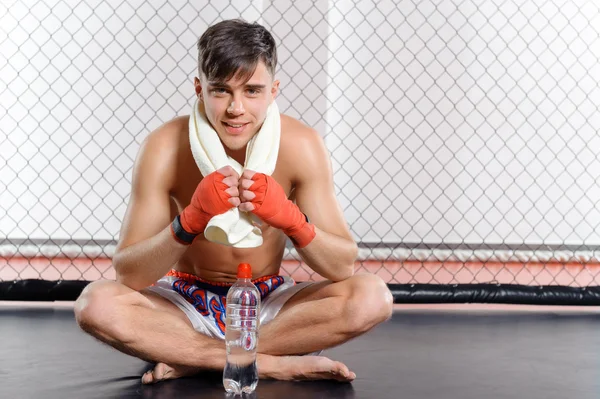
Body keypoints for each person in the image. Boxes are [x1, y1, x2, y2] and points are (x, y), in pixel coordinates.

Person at [74, 18, 393, 384]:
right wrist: (188, 222)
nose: (236, 109)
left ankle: (195, 356)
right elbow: (128, 273)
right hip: (183, 303)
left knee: (372, 297)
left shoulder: (302, 145)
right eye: (222, 90)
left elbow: (341, 267)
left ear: (274, 90)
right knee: (95, 304)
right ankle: (266, 362)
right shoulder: (163, 146)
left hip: (267, 302)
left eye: (253, 91)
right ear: (199, 89)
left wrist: (292, 219)